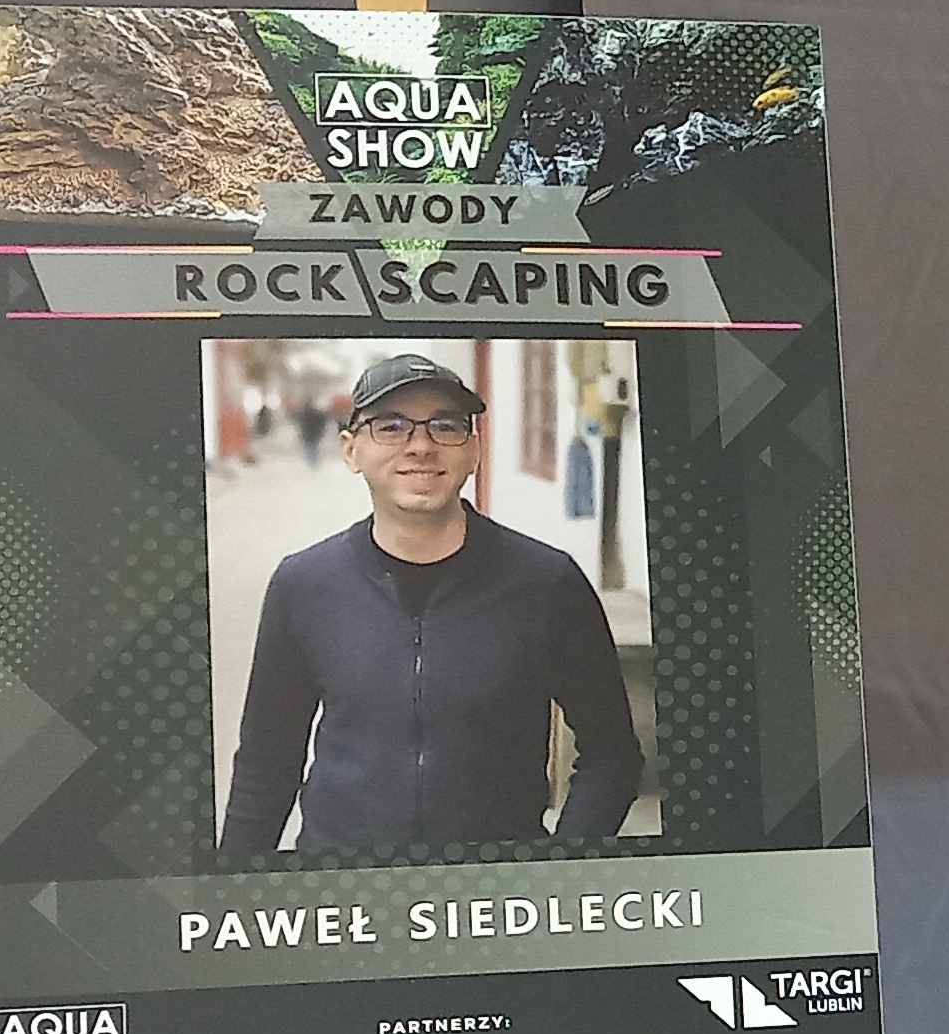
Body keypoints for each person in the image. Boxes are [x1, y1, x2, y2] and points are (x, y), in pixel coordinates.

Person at [220, 353, 645, 856]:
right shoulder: (304, 585)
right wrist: (234, 882)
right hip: (341, 880)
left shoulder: (546, 583)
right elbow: (267, 761)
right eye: (390, 426)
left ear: (474, 450)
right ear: (351, 450)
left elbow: (612, 753)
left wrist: (560, 868)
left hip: (494, 885)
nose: (420, 445)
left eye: (445, 426)